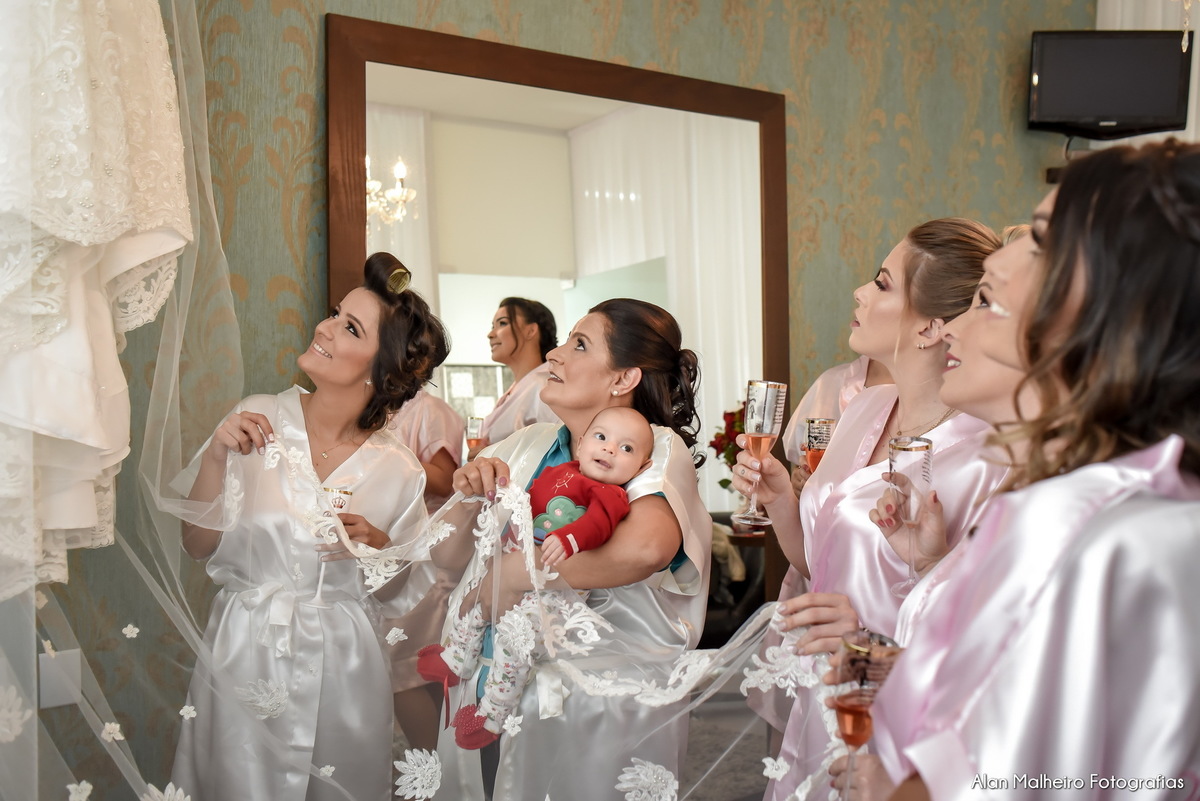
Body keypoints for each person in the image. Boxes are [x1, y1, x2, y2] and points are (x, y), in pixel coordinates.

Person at [860, 140, 1200, 801]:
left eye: (1041, 240)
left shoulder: (1078, 523)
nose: (996, 259)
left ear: (1121, 294)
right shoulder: (1153, 498)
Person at [732, 219, 1010, 799]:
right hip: (823, 686)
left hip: (893, 700)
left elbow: (981, 635)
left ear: (931, 327)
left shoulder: (985, 458)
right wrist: (782, 499)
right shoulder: (865, 408)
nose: (860, 293)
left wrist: (866, 636)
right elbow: (819, 568)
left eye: (882, 283)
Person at [170, 253, 446, 801]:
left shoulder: (399, 470)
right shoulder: (255, 419)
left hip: (345, 661)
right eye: (335, 313)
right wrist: (216, 459)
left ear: (381, 369)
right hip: (247, 646)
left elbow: (402, 598)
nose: (324, 327)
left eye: (350, 328)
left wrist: (382, 550)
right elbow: (196, 545)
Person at [418, 298, 711, 800]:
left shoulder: (652, 447)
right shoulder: (527, 443)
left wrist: (517, 573)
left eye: (579, 344)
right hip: (491, 678)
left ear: (623, 379)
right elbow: (445, 558)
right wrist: (468, 497)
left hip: (591, 701)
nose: (554, 354)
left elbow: (647, 547)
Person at [416, 406, 654, 750]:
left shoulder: (610, 494)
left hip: (556, 590)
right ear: (582, 443)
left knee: (517, 639)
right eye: (601, 437)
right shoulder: (558, 470)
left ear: (642, 467)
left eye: (626, 448)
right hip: (521, 560)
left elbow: (598, 525)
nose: (609, 449)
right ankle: (456, 658)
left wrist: (570, 539)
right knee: (480, 603)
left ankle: (493, 714)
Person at [470, 297, 559, 459]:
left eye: (502, 323)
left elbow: (557, 444)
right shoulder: (519, 387)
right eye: (493, 326)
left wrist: (492, 452)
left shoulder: (545, 384)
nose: (490, 334)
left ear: (530, 331)